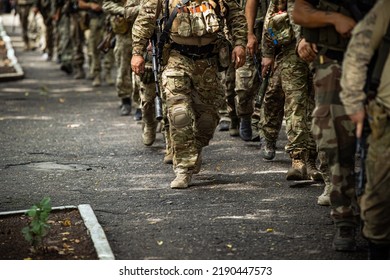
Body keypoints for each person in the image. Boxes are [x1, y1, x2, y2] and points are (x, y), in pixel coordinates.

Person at [131, 0, 247, 189]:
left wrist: (240, 43)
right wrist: (137, 52)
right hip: (177, 58)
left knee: (208, 119)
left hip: (209, 61)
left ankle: (194, 148)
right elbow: (146, 18)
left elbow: (236, 15)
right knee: (179, 113)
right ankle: (183, 168)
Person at [292, 0, 374, 251]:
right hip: (335, 64)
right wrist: (332, 19)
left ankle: (375, 217)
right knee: (336, 143)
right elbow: (300, 11)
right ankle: (344, 219)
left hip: (380, 64)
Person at [340, 0, 390, 259]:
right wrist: (354, 104)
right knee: (380, 194)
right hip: (386, 115)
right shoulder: (386, 9)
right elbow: (358, 51)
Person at [259, 0, 320, 181]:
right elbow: (272, 15)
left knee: (316, 104)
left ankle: (311, 159)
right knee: (295, 104)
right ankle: (298, 159)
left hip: (319, 47)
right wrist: (268, 53)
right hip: (290, 51)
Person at [102, 0, 139, 116]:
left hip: (142, 30)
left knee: (143, 71)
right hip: (123, 34)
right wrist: (125, 11)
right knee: (123, 69)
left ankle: (141, 104)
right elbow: (107, 5)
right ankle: (125, 99)